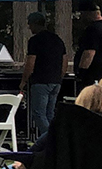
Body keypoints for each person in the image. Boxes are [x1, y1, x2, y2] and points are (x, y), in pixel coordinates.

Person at [17, 11, 67, 140]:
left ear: (35, 24)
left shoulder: (35, 40)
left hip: (41, 81)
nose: (29, 28)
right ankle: (55, 138)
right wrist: (60, 76)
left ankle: (50, 140)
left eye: (30, 24)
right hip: (56, 81)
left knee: (39, 113)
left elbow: (31, 62)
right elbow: (65, 60)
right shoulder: (57, 39)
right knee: (50, 113)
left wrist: (24, 80)